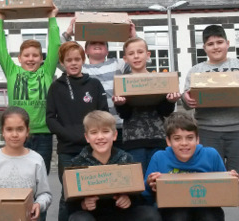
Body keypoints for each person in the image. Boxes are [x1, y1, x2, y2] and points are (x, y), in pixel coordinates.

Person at [182, 25, 239, 221]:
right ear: (204, 47)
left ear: (227, 43)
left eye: (219, 42)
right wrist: (185, 99)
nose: (216, 47)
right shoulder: (196, 71)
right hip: (207, 132)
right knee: (206, 181)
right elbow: (187, 100)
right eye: (210, 44)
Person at [0, 5, 60, 175]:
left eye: (35, 55)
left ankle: (39, 203)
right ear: (20, 58)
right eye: (27, 55)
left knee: (40, 176)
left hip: (43, 134)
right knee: (17, 176)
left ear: (42, 58)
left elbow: (55, 46)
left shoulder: (46, 71)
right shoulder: (12, 71)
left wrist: (52, 18)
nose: (31, 59)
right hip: (17, 131)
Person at [46, 41, 108, 221]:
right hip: (67, 151)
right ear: (62, 63)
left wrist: (92, 137)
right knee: (69, 195)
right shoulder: (56, 87)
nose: (73, 63)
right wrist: (70, 135)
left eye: (77, 59)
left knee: (95, 194)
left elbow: (103, 114)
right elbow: (50, 118)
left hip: (93, 150)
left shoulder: (94, 85)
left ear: (83, 60)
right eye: (68, 60)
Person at [144, 111, 239, 221]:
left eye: (190, 138)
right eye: (177, 138)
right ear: (168, 141)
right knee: (179, 215)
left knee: (209, 216)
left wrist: (235, 180)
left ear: (197, 139)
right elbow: (146, 196)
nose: (184, 143)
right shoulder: (159, 158)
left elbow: (228, 186)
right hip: (173, 210)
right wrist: (149, 184)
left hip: (206, 208)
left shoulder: (211, 155)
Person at [68, 110, 161, 221]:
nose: (100, 137)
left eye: (105, 131)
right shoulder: (78, 164)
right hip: (93, 216)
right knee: (79, 219)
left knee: (149, 214)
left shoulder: (126, 159)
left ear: (115, 135)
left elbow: (140, 197)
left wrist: (128, 199)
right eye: (94, 133)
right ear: (87, 137)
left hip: (121, 214)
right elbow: (69, 205)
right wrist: (83, 204)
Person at [61, 18, 134, 149]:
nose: (97, 44)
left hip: (120, 124)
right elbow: (58, 57)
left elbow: (139, 60)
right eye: (93, 42)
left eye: (102, 43)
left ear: (107, 50)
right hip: (94, 128)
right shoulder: (80, 68)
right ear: (86, 51)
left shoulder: (119, 64)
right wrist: (67, 34)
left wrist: (132, 36)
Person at [113, 37, 180, 174]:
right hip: (133, 141)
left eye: (140, 52)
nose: (136, 56)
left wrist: (170, 101)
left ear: (147, 55)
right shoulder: (122, 83)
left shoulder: (160, 80)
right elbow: (124, 114)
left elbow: (165, 112)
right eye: (131, 54)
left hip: (158, 138)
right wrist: (121, 104)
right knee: (138, 183)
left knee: (159, 181)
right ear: (125, 58)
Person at [0, 106, 52, 221]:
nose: (15, 134)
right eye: (9, 129)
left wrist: (39, 204)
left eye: (20, 129)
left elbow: (45, 194)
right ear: (2, 131)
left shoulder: (36, 160)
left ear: (27, 131)